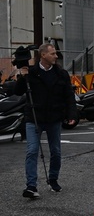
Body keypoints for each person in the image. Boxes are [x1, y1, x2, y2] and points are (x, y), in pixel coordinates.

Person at [16, 43, 78, 199]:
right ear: (43, 55)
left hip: (54, 118)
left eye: (55, 53)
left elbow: (69, 96)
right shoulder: (31, 72)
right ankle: (31, 186)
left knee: (55, 151)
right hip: (34, 117)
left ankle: (53, 179)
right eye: (53, 53)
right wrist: (22, 77)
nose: (56, 56)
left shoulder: (61, 74)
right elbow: (17, 91)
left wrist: (72, 114)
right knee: (32, 151)